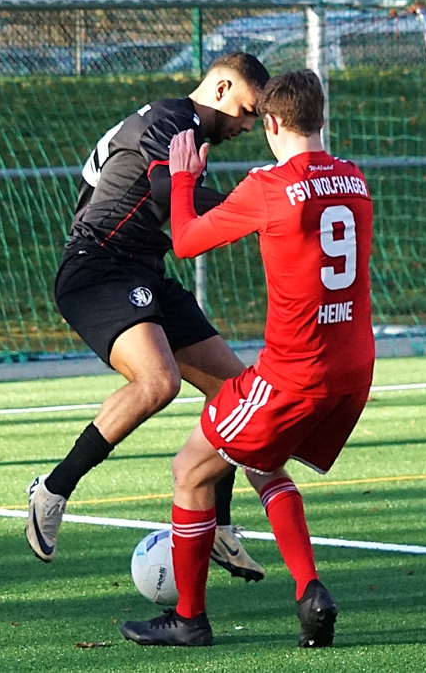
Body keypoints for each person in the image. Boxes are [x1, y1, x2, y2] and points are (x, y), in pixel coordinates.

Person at [119, 68, 374, 648]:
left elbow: (186, 241)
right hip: (353, 371)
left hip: (292, 375)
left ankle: (189, 619)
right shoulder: (355, 180)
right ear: (322, 117)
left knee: (190, 470)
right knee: (265, 463)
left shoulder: (267, 186)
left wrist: (183, 181)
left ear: (273, 123)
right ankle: (309, 590)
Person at [25, 52, 270, 581]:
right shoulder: (171, 118)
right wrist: (258, 208)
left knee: (237, 393)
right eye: (247, 110)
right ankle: (53, 490)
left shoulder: (185, 128)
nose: (248, 125)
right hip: (98, 268)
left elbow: (178, 205)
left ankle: (219, 525)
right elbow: (168, 193)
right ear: (221, 88)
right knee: (159, 382)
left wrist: (248, 208)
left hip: (142, 270)